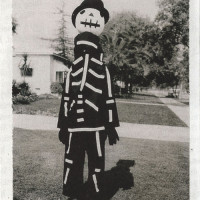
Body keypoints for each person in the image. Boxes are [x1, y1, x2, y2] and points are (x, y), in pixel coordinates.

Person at [57, 0, 119, 199]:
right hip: (75, 126)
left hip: (96, 126)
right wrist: (63, 125)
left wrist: (110, 125)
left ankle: (95, 193)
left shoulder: (102, 69)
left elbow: (109, 97)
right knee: (72, 160)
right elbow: (66, 99)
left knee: (96, 161)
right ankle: (72, 191)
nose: (85, 53)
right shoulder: (72, 69)